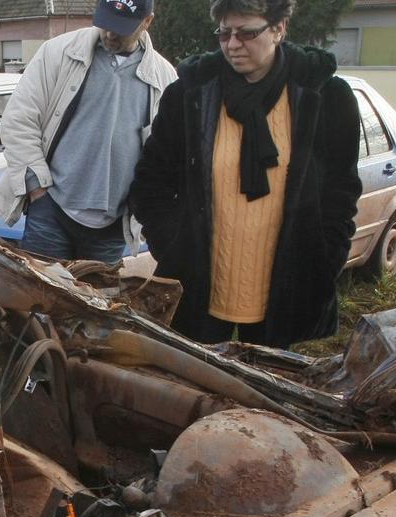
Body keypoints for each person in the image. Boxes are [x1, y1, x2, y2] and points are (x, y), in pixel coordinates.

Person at [130, 0, 362, 347]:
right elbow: (151, 183)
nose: (233, 45)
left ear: (279, 28)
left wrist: (324, 260)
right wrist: (176, 247)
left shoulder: (326, 97)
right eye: (224, 34)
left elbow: (340, 193)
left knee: (267, 393)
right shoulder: (190, 96)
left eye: (247, 33)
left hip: (286, 287)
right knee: (200, 391)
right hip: (202, 285)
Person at [0, 0, 177, 264]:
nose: (110, 34)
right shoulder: (57, 53)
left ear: (147, 22)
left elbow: (166, 157)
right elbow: (18, 121)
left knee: (95, 305)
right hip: (51, 212)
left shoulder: (164, 79)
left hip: (111, 229)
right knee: (41, 301)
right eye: (106, 23)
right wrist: (36, 190)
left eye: (121, 28)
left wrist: (139, 209)